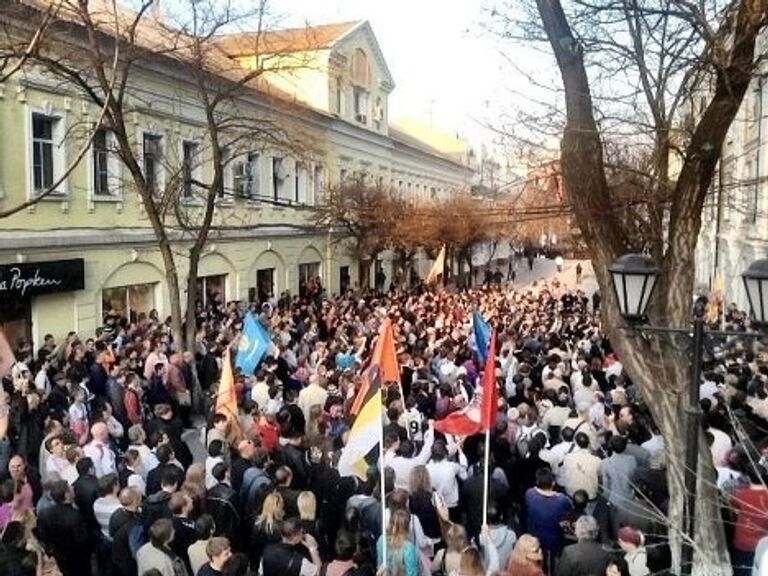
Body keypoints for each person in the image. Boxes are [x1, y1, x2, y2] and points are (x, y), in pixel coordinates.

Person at [378, 509, 418, 576]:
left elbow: (380, 564)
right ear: (407, 527)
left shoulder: (381, 540)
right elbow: (412, 573)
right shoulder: (408, 548)